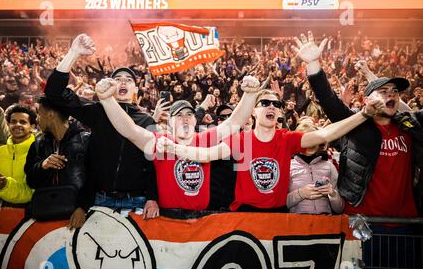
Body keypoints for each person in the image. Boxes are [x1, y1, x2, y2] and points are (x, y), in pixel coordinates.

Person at [157, 88, 384, 212]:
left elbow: (326, 134)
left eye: (276, 104)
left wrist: (363, 114)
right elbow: (205, 155)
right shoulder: (241, 140)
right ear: (254, 111)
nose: (272, 107)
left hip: (277, 214)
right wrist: (175, 147)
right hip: (245, 215)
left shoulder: (286, 139)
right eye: (265, 103)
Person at [293, 31, 423, 218]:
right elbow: (329, 100)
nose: (391, 95)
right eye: (383, 91)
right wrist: (313, 64)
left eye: (395, 91)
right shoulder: (354, 124)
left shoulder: (409, 125)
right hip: (361, 220)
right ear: (366, 100)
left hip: (405, 221)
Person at [94, 74, 266, 212]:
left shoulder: (204, 139)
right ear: (169, 123)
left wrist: (250, 95)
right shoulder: (162, 141)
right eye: (179, 115)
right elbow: (130, 130)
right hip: (169, 219)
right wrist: (107, 99)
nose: (185, 118)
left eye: (189, 114)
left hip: (201, 219)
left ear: (194, 121)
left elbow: (234, 122)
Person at [44, 34, 159, 219]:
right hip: (100, 199)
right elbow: (53, 93)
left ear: (136, 90)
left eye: (129, 80)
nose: (123, 81)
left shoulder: (147, 121)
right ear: (109, 85)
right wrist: (73, 53)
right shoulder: (98, 111)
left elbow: (152, 164)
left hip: (137, 201)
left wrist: (152, 198)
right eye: (118, 78)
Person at [24, 96, 90, 229]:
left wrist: (82, 207)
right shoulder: (37, 145)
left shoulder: (86, 141)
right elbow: (30, 181)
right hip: (45, 218)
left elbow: (95, 178)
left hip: (79, 218)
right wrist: (43, 166)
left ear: (50, 115)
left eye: (38, 113)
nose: (36, 119)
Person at [287, 121, 344, 214]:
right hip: (296, 224)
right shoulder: (288, 165)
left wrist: (332, 194)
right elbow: (280, 205)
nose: (310, 144)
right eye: (306, 139)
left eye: (313, 139)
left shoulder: (329, 166)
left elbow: (340, 209)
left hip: (325, 224)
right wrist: (301, 193)